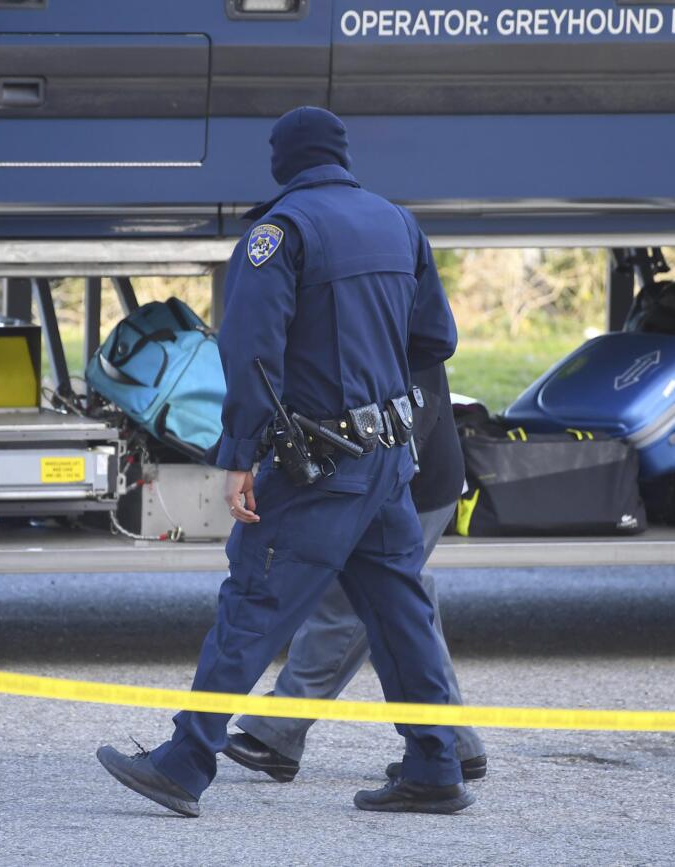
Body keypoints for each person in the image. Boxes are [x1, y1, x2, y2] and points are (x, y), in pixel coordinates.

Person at [96, 106, 476, 817]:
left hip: (323, 465)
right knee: (400, 613)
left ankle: (184, 760)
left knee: (254, 602)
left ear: (287, 159)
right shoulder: (398, 222)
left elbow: (251, 352)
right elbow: (436, 339)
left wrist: (239, 456)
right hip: (391, 461)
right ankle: (434, 763)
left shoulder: (281, 231)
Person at [223, 362, 488, 784]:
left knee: (347, 602)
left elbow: (429, 354)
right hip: (398, 463)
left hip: (405, 469)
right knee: (404, 602)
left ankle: (277, 733)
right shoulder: (386, 299)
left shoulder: (389, 300)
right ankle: (453, 744)